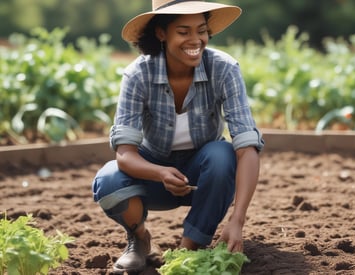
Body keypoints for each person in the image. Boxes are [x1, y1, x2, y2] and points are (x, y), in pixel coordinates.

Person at [92, 0, 264, 273]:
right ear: (162, 33)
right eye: (184, 32)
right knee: (108, 181)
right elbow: (124, 153)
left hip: (204, 178)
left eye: (202, 30)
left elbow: (247, 146)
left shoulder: (224, 69)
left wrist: (237, 220)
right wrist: (160, 173)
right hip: (154, 174)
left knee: (222, 155)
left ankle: (190, 247)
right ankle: (139, 241)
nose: (195, 40)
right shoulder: (138, 74)